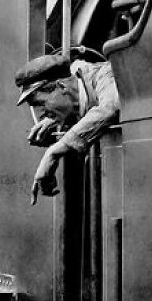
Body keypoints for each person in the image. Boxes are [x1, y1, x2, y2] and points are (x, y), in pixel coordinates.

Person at [15, 53, 120, 204]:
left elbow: (109, 108)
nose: (42, 114)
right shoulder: (75, 87)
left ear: (62, 86)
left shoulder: (106, 75)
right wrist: (60, 118)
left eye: (41, 104)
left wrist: (53, 152)